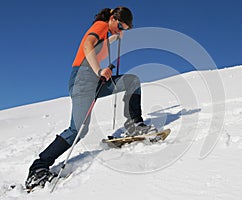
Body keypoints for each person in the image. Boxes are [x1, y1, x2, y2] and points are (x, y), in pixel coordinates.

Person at [25, 6, 156, 190]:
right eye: (119, 25)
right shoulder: (101, 25)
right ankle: (38, 168)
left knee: (132, 81)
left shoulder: (106, 33)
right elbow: (88, 45)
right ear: (112, 18)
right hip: (83, 80)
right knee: (77, 129)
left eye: (124, 29)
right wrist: (99, 70)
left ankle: (134, 125)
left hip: (94, 81)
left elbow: (100, 47)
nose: (121, 30)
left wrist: (115, 38)